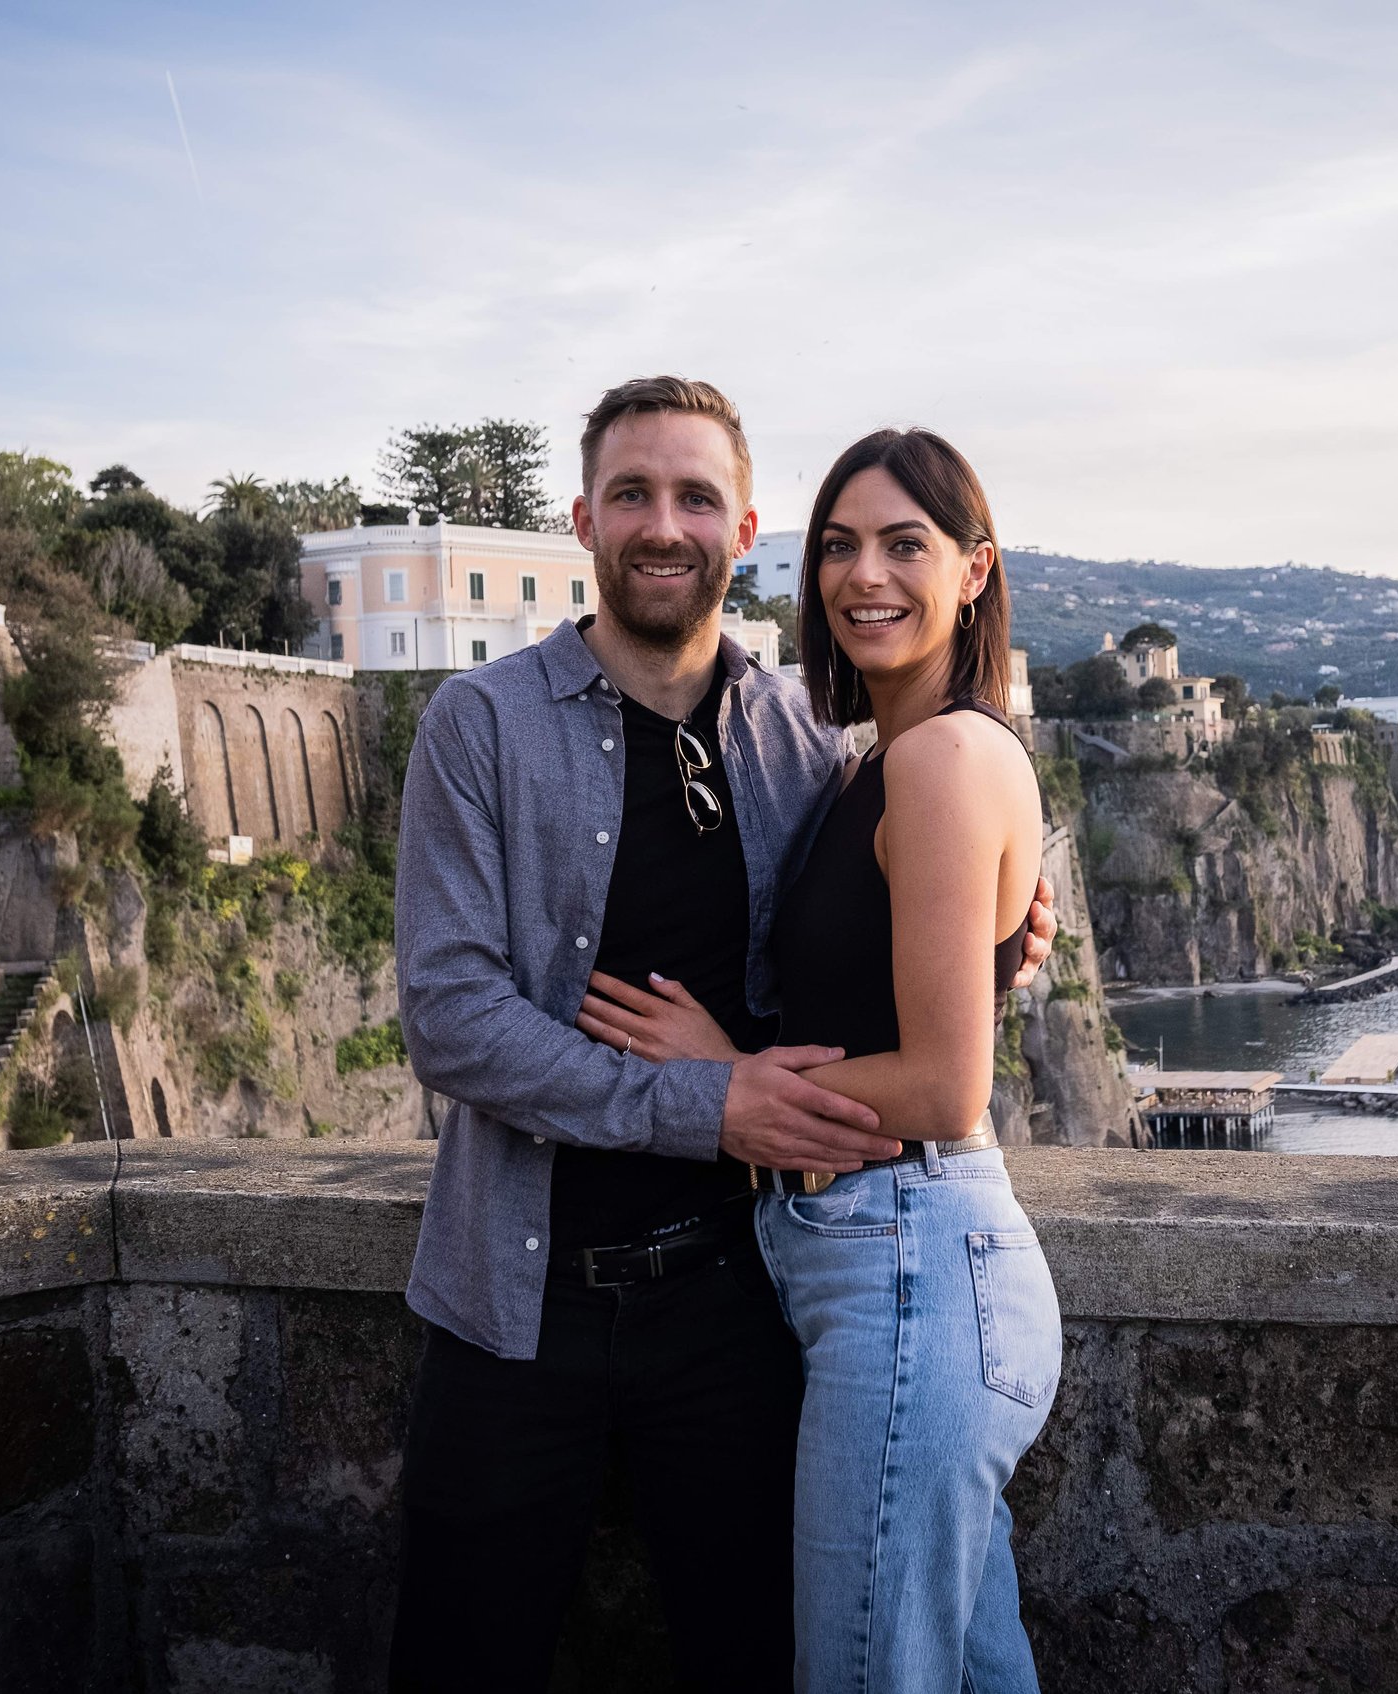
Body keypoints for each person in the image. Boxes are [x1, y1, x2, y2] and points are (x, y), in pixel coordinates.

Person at [387, 379, 1054, 1692]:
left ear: (742, 527)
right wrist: (709, 1100)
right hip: (516, 1302)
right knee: (461, 1655)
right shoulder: (482, 726)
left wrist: (1006, 943)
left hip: (739, 1305)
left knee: (763, 1656)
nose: (662, 524)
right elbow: (454, 1023)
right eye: (631, 492)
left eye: (697, 496)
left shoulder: (807, 735)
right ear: (581, 517)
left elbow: (871, 986)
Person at [575, 429, 1062, 1692]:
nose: (864, 575)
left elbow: (945, 1083)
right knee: (965, 1669)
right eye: (838, 544)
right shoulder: (881, 756)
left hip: (909, 1264)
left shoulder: (945, 755)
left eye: (907, 543)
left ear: (974, 569)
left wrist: (722, 1076)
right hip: (900, 1267)